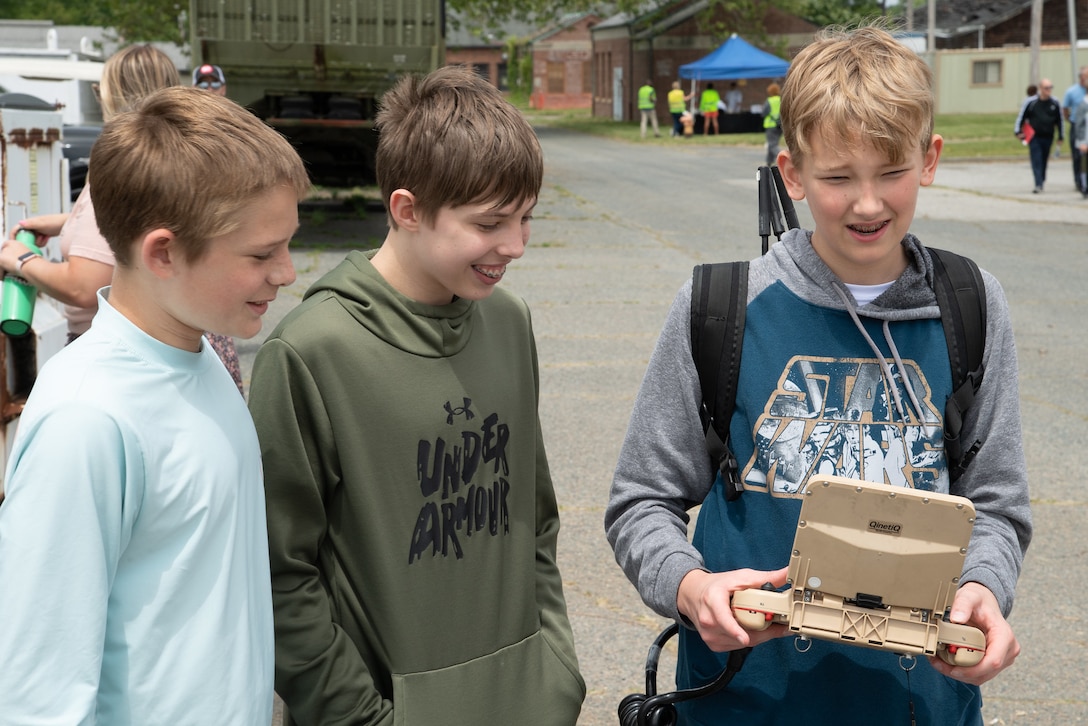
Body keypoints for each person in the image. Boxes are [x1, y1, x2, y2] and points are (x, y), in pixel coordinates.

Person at [605, 25, 1031, 725]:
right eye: (837, 178)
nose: (867, 204)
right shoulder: (722, 308)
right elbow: (640, 502)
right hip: (743, 702)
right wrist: (691, 589)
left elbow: (997, 504)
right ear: (792, 175)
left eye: (890, 170)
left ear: (929, 159)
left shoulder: (971, 306)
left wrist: (984, 586)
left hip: (919, 705)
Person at [247, 64, 586, 726]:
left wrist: (554, 672)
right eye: (490, 223)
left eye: (525, 220)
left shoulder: (508, 321)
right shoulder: (313, 351)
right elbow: (281, 575)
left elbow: (533, 517)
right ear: (406, 209)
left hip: (524, 703)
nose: (514, 245)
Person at [0, 86, 310, 723]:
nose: (287, 272)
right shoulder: (88, 421)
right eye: (261, 253)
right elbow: (39, 693)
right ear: (163, 252)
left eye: (287, 244)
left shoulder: (198, 357)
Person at [2, 45, 246, 393]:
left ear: (115, 95)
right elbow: (138, 222)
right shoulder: (181, 155)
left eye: (100, 90)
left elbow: (82, 287)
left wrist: (21, 260)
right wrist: (67, 221)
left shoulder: (122, 166)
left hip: (121, 362)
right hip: (188, 348)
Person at [192, 60, 244, 390]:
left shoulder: (237, 131)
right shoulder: (185, 131)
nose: (209, 90)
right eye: (203, 84)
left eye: (214, 84)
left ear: (223, 88)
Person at [1014, 78, 1063, 192]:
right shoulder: (1031, 102)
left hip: (1048, 135)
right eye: (1046, 88)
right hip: (1034, 136)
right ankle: (1038, 184)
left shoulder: (1055, 103)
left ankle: (1042, 179)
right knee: (1036, 159)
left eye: (1050, 87)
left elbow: (1059, 120)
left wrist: (1061, 136)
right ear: (1040, 89)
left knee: (1044, 159)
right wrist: (1017, 131)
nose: (1049, 90)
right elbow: (1022, 117)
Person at [1061, 66, 1087, 192]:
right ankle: (1078, 180)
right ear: (1081, 77)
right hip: (1077, 127)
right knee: (1077, 155)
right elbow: (1065, 108)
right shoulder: (1072, 91)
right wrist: (1070, 119)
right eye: (1086, 76)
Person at [762, 81, 782, 166]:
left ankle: (781, 158)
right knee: (773, 143)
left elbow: (764, 112)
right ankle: (769, 161)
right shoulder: (781, 99)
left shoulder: (769, 101)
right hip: (780, 124)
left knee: (772, 144)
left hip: (771, 125)